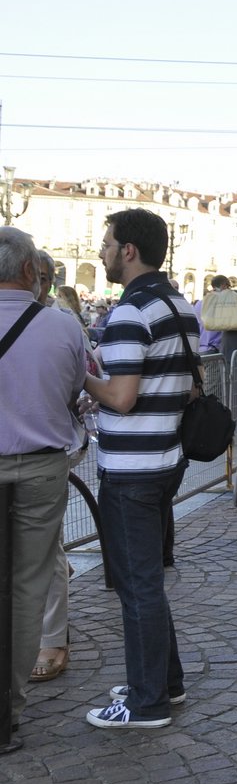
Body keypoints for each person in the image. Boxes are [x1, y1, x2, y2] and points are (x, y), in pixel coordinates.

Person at [82, 208, 199, 728]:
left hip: (131, 467)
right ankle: (164, 683)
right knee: (145, 580)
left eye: (107, 243)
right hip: (165, 459)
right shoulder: (177, 305)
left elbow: (122, 398)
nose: (102, 252)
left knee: (137, 585)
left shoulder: (130, 313)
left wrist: (81, 377)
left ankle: (147, 700)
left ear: (128, 250)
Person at [1, 228, 88, 741]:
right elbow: (78, 386)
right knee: (29, 584)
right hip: (41, 467)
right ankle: (9, 706)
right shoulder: (62, 325)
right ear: (32, 271)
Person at [30, 249, 93, 688]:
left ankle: (53, 638)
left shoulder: (61, 326)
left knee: (47, 548)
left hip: (44, 451)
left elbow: (83, 382)